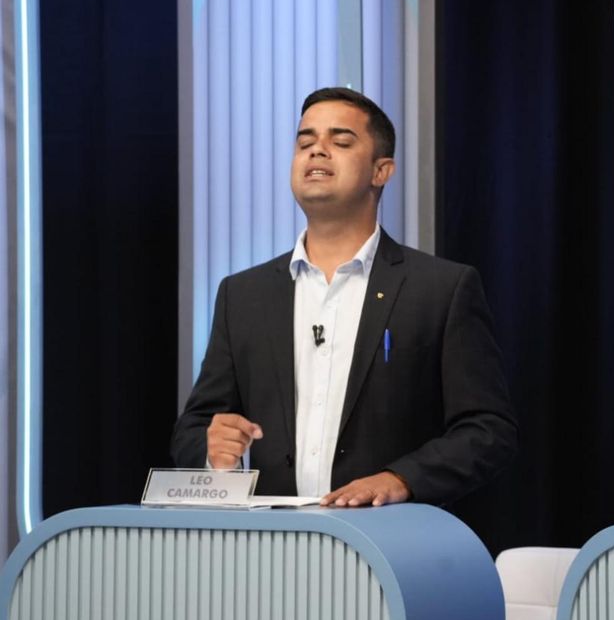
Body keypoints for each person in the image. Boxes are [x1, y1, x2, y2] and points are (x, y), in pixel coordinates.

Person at [171, 87, 518, 507]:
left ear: (381, 171)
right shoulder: (243, 295)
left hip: (389, 549)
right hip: (268, 548)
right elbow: (195, 429)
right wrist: (213, 451)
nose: (317, 151)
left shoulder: (442, 289)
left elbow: (487, 430)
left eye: (340, 141)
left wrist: (400, 479)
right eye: (305, 142)